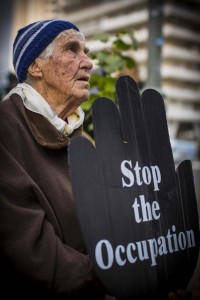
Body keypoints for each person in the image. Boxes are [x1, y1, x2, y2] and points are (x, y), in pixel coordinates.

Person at [0, 19, 193, 299]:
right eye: (72, 49)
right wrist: (118, 280)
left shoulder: (78, 135)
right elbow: (32, 252)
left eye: (86, 51)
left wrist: (155, 273)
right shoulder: (6, 129)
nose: (88, 62)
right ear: (35, 66)